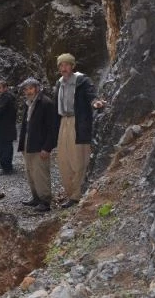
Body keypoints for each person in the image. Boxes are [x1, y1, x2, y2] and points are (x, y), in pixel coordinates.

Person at [54, 53, 106, 208]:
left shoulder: (82, 81)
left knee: (79, 159)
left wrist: (96, 102)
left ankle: (77, 195)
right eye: (61, 65)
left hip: (78, 122)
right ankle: (70, 192)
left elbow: (92, 95)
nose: (64, 68)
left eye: (67, 65)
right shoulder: (59, 83)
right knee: (64, 160)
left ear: (72, 66)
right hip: (63, 122)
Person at [17, 77, 58, 212]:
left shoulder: (46, 103)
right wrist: (22, 144)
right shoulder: (28, 103)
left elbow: (53, 128)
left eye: (30, 88)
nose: (28, 91)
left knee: (40, 172)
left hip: (40, 143)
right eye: (26, 89)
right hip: (29, 141)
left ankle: (45, 202)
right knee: (30, 172)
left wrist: (47, 147)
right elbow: (25, 125)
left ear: (37, 88)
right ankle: (36, 198)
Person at [0, 80, 17, 175]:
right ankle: (3, 164)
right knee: (2, 146)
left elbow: (1, 110)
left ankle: (7, 168)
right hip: (4, 126)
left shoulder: (7, 97)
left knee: (5, 147)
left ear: (5, 88)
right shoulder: (5, 96)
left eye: (0, 88)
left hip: (6, 127)